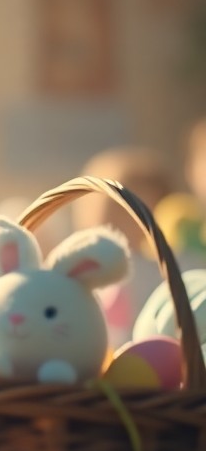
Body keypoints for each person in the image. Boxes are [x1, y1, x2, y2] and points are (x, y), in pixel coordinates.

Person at [77, 146, 175, 349]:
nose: (124, 222)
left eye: (135, 212)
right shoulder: (83, 266)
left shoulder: (166, 266)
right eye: (114, 210)